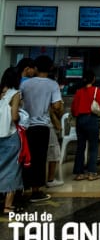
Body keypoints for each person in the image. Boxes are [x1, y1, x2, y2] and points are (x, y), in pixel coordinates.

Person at [20, 55, 63, 202]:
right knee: (40, 159)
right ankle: (36, 192)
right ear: (50, 68)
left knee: (26, 157)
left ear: (36, 68)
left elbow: (18, 102)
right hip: (43, 127)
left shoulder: (25, 84)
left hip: (26, 127)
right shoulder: (53, 85)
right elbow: (57, 106)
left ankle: (23, 189)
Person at [70, 69, 100, 181]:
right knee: (93, 147)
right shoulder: (96, 90)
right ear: (93, 79)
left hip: (80, 120)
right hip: (91, 119)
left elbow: (73, 109)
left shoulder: (78, 92)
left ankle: (79, 173)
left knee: (80, 147)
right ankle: (91, 173)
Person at [0, 67, 24, 214]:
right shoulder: (15, 94)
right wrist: (21, 117)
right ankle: (8, 206)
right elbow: (15, 116)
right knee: (12, 170)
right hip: (10, 136)